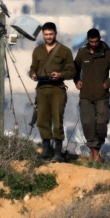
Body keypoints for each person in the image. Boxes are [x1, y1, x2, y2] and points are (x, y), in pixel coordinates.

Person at [29, 22, 76, 161]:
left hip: (57, 89)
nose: (48, 37)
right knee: (42, 119)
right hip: (42, 88)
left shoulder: (64, 51)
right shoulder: (37, 51)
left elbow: (72, 71)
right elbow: (33, 67)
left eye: (51, 34)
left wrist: (60, 75)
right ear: (42, 34)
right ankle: (46, 149)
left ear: (55, 33)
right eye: (46, 34)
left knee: (57, 119)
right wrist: (33, 74)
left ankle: (58, 151)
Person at [74, 28, 110, 163]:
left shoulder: (107, 54)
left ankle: (96, 150)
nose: (94, 44)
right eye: (91, 41)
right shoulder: (82, 53)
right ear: (88, 40)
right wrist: (76, 80)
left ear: (99, 39)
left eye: (96, 41)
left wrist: (107, 84)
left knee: (101, 124)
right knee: (87, 123)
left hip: (102, 95)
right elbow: (74, 69)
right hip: (86, 96)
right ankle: (94, 153)